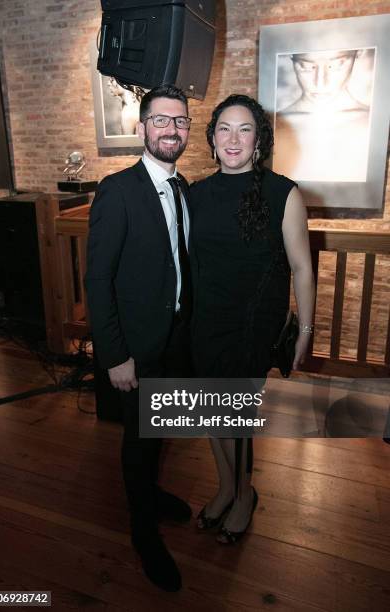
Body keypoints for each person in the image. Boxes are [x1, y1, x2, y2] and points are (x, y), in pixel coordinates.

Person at [190, 94, 315, 544]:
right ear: (212, 138)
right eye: (224, 128)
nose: (234, 138)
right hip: (204, 319)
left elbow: (302, 267)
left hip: (252, 323)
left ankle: (245, 496)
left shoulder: (284, 192)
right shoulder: (196, 194)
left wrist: (305, 330)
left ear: (259, 140)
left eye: (245, 129)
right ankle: (227, 487)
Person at [85, 85, 193, 592]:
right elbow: (98, 280)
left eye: (181, 122)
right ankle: (142, 531)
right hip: (134, 348)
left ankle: (150, 492)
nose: (172, 130)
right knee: (138, 436)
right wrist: (115, 356)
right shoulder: (118, 190)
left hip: (173, 339)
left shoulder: (184, 187)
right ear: (142, 127)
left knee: (162, 427)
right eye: (162, 120)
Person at [274, 49, 372, 181]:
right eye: (306, 67)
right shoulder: (275, 123)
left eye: (336, 66)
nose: (320, 82)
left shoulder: (371, 122)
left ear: (357, 54)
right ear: (292, 60)